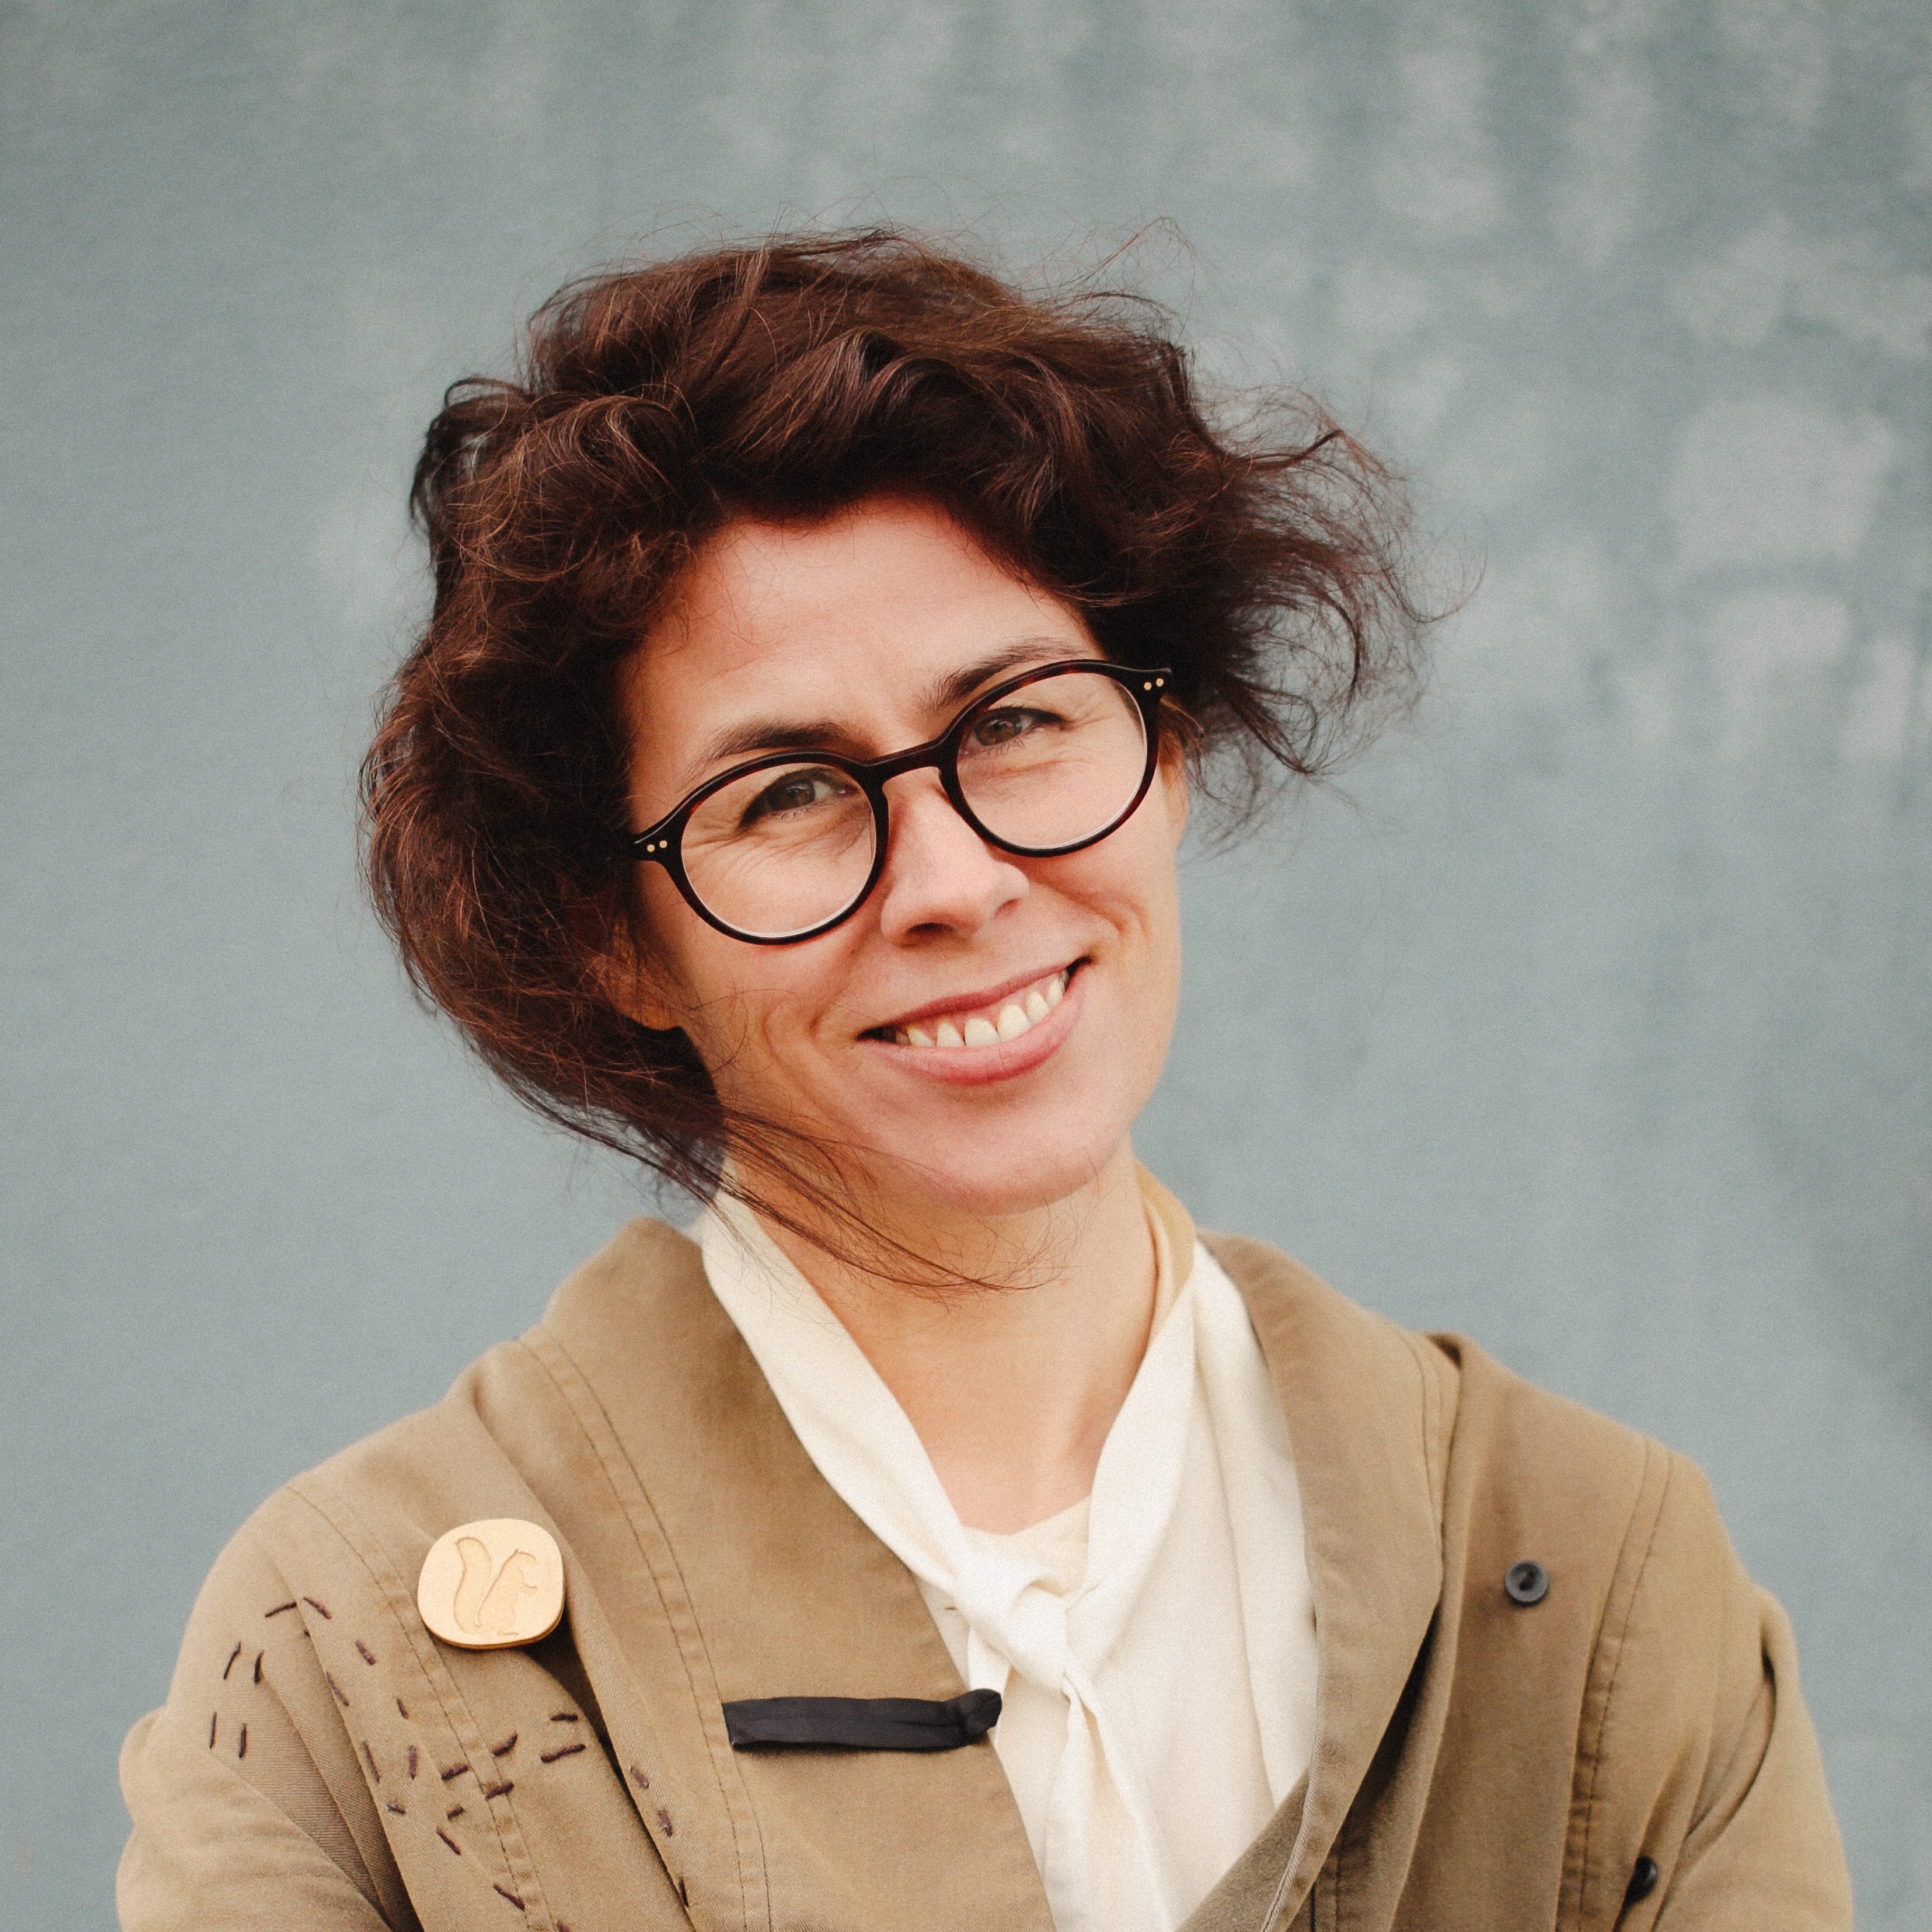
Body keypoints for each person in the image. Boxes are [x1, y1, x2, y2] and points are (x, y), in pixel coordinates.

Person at [117, 232, 1851, 1932]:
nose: (951, 880)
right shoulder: (343, 1660)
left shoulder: (1598, 1574)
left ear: (1167, 743)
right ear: (611, 935)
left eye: (1021, 718)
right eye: (787, 791)